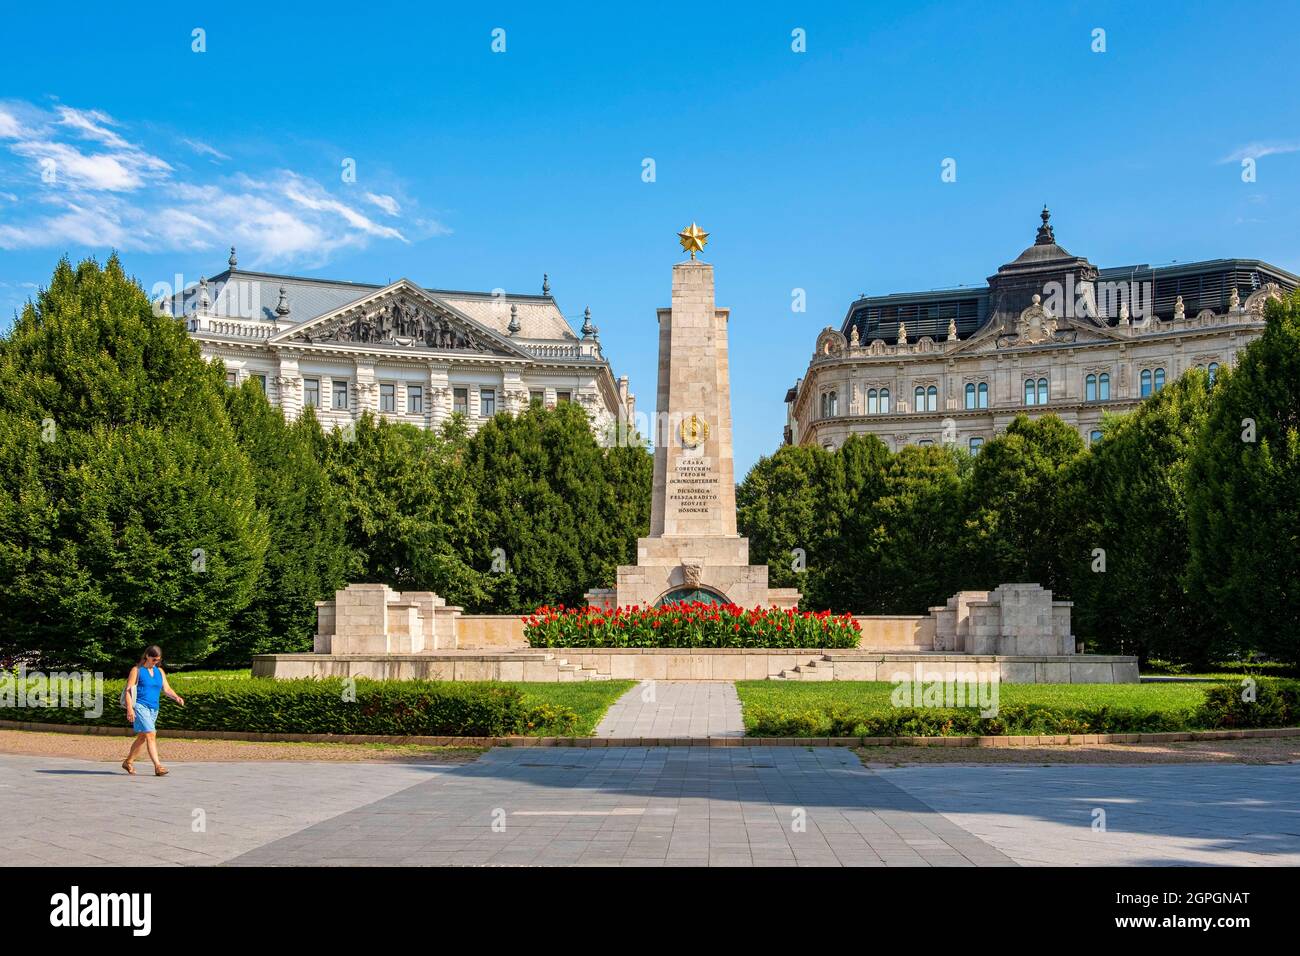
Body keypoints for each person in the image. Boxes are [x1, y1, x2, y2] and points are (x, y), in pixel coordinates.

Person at [121, 646, 184, 776]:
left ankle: (128, 762)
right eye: (154, 659)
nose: (156, 662)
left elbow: (166, 689)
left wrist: (176, 697)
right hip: (140, 706)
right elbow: (128, 691)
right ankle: (158, 766)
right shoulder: (137, 670)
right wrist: (129, 709)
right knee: (151, 734)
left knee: (142, 737)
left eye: (158, 660)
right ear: (147, 656)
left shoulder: (159, 671)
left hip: (154, 708)